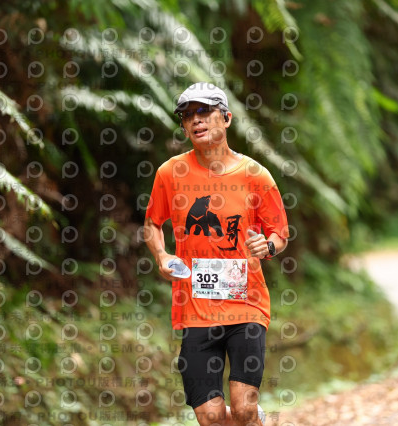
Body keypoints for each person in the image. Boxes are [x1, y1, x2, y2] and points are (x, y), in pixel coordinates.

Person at [144, 82, 289, 425]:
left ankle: (252, 417)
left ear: (226, 118)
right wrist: (161, 255)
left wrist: (268, 245)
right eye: (187, 115)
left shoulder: (255, 175)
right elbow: (152, 224)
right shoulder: (170, 173)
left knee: (243, 409)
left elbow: (280, 233)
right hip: (196, 311)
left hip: (247, 306)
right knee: (210, 417)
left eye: (204, 112)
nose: (196, 120)